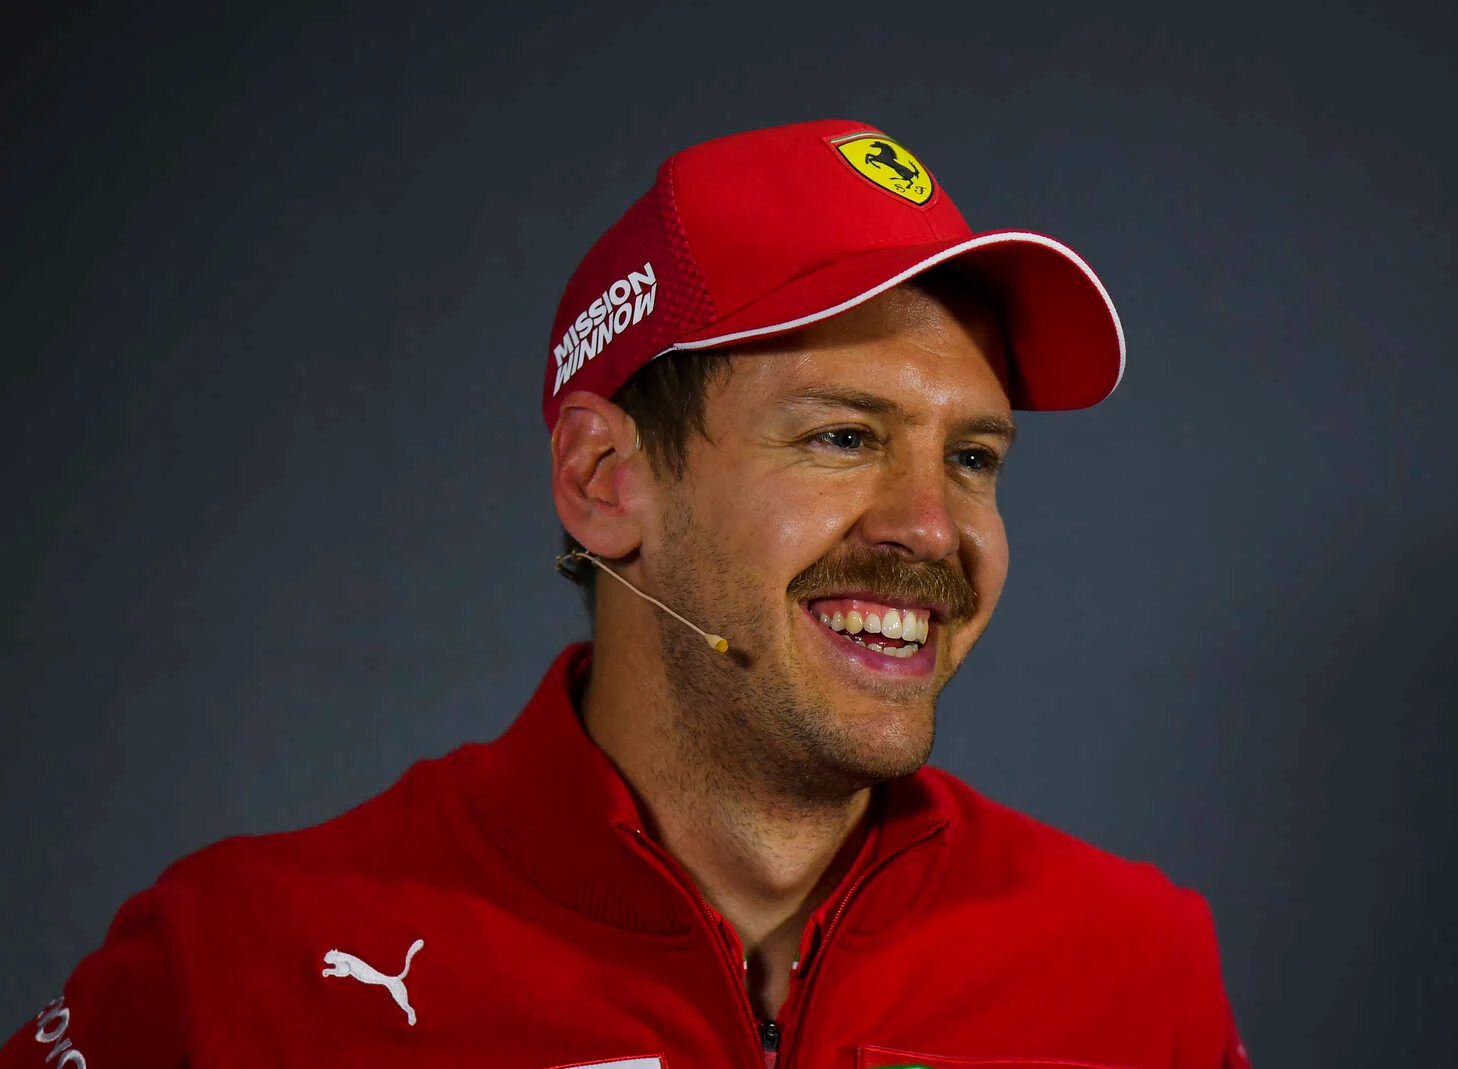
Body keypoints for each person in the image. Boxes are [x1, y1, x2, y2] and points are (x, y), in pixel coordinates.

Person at [4, 119, 1247, 1068]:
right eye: (840, 438)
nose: (933, 526)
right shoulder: (239, 963)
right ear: (604, 480)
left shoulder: (1138, 963)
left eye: (972, 459)